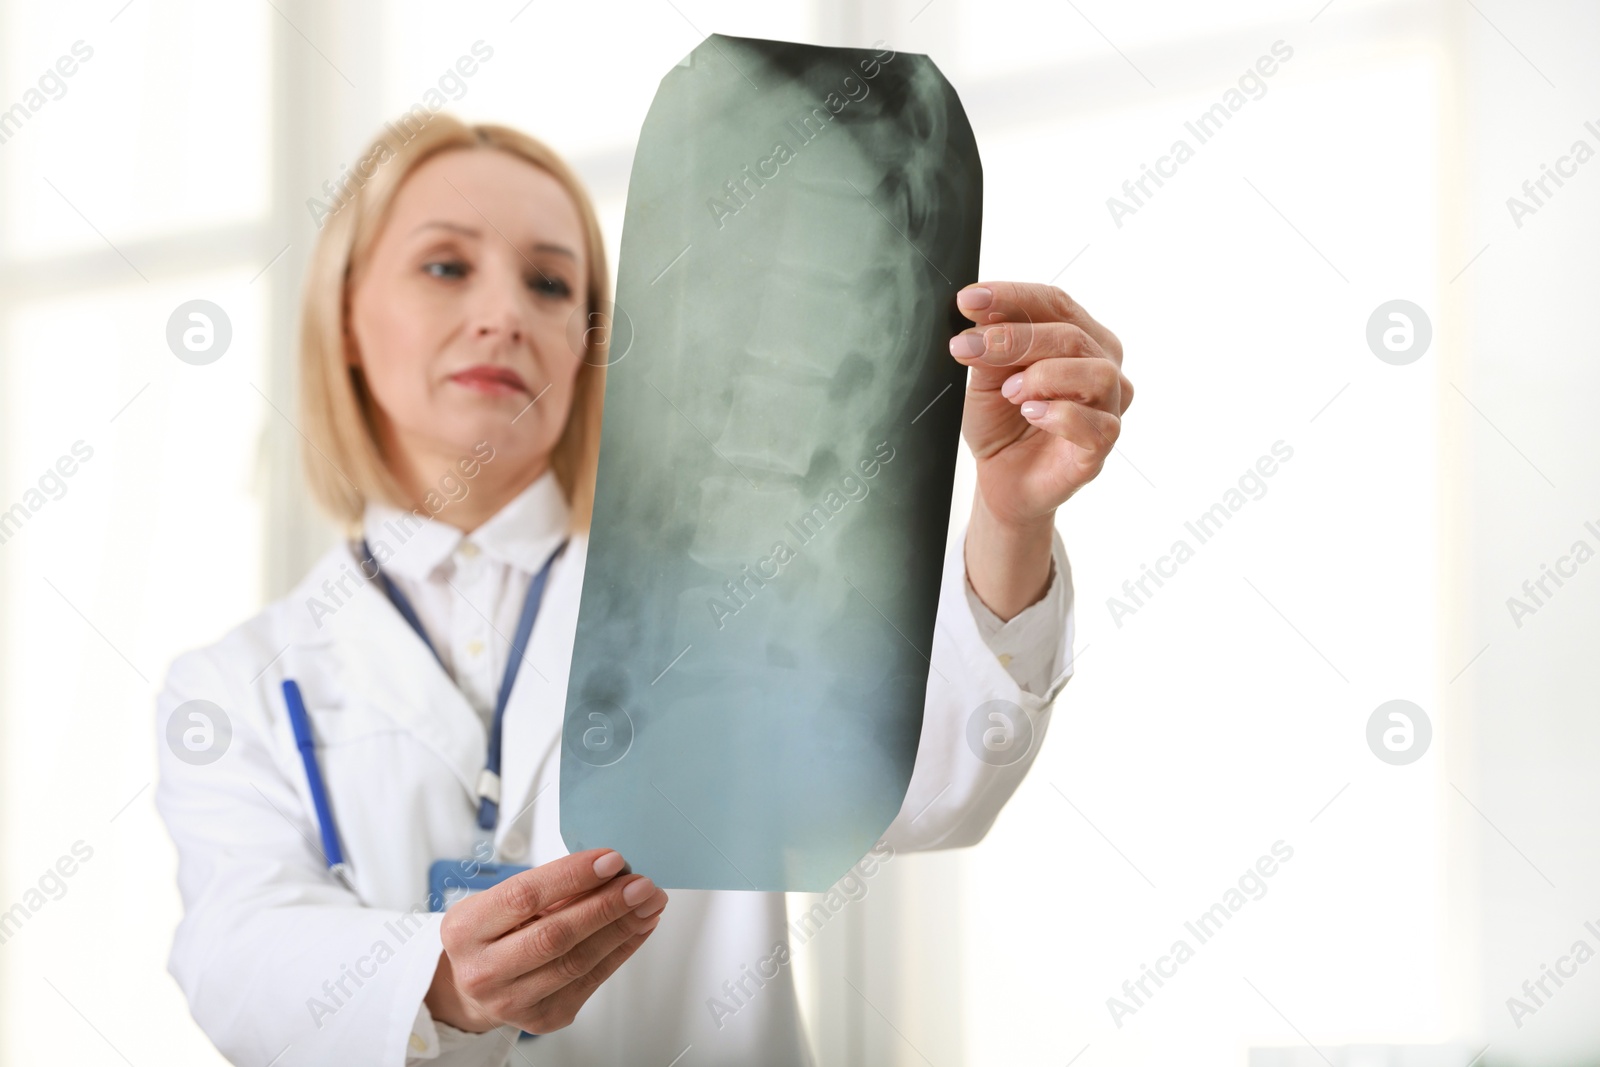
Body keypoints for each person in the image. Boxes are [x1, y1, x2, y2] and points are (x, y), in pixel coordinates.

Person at [153, 115, 1132, 1066]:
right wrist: (439, 980)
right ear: (347, 315)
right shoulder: (235, 683)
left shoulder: (723, 598)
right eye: (446, 264)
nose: (504, 312)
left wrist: (1010, 516)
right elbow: (234, 949)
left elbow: (921, 792)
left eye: (549, 281)